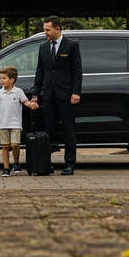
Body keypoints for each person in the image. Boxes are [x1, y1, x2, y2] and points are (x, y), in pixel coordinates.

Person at [31, 15, 82, 175]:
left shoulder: (72, 45)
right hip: (48, 95)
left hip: (66, 95)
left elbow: (77, 71)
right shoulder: (43, 48)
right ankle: (47, 164)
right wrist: (35, 94)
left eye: (47, 30)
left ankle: (69, 164)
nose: (45, 32)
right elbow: (40, 72)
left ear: (57, 29)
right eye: (44, 29)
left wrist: (76, 92)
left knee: (68, 130)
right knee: (48, 130)